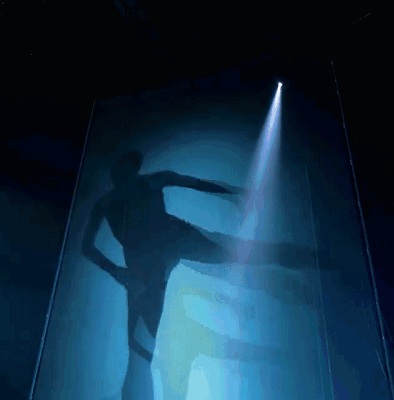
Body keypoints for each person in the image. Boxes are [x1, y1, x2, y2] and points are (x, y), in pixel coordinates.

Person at [81, 150, 327, 398]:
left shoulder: (151, 181)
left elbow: (197, 183)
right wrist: (116, 271)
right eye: (119, 168)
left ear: (131, 168)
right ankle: (303, 268)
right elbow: (87, 247)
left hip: (172, 241)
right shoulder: (108, 203)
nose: (122, 173)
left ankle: (307, 263)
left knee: (239, 254)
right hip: (145, 268)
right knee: (139, 349)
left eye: (126, 167)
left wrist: (234, 192)